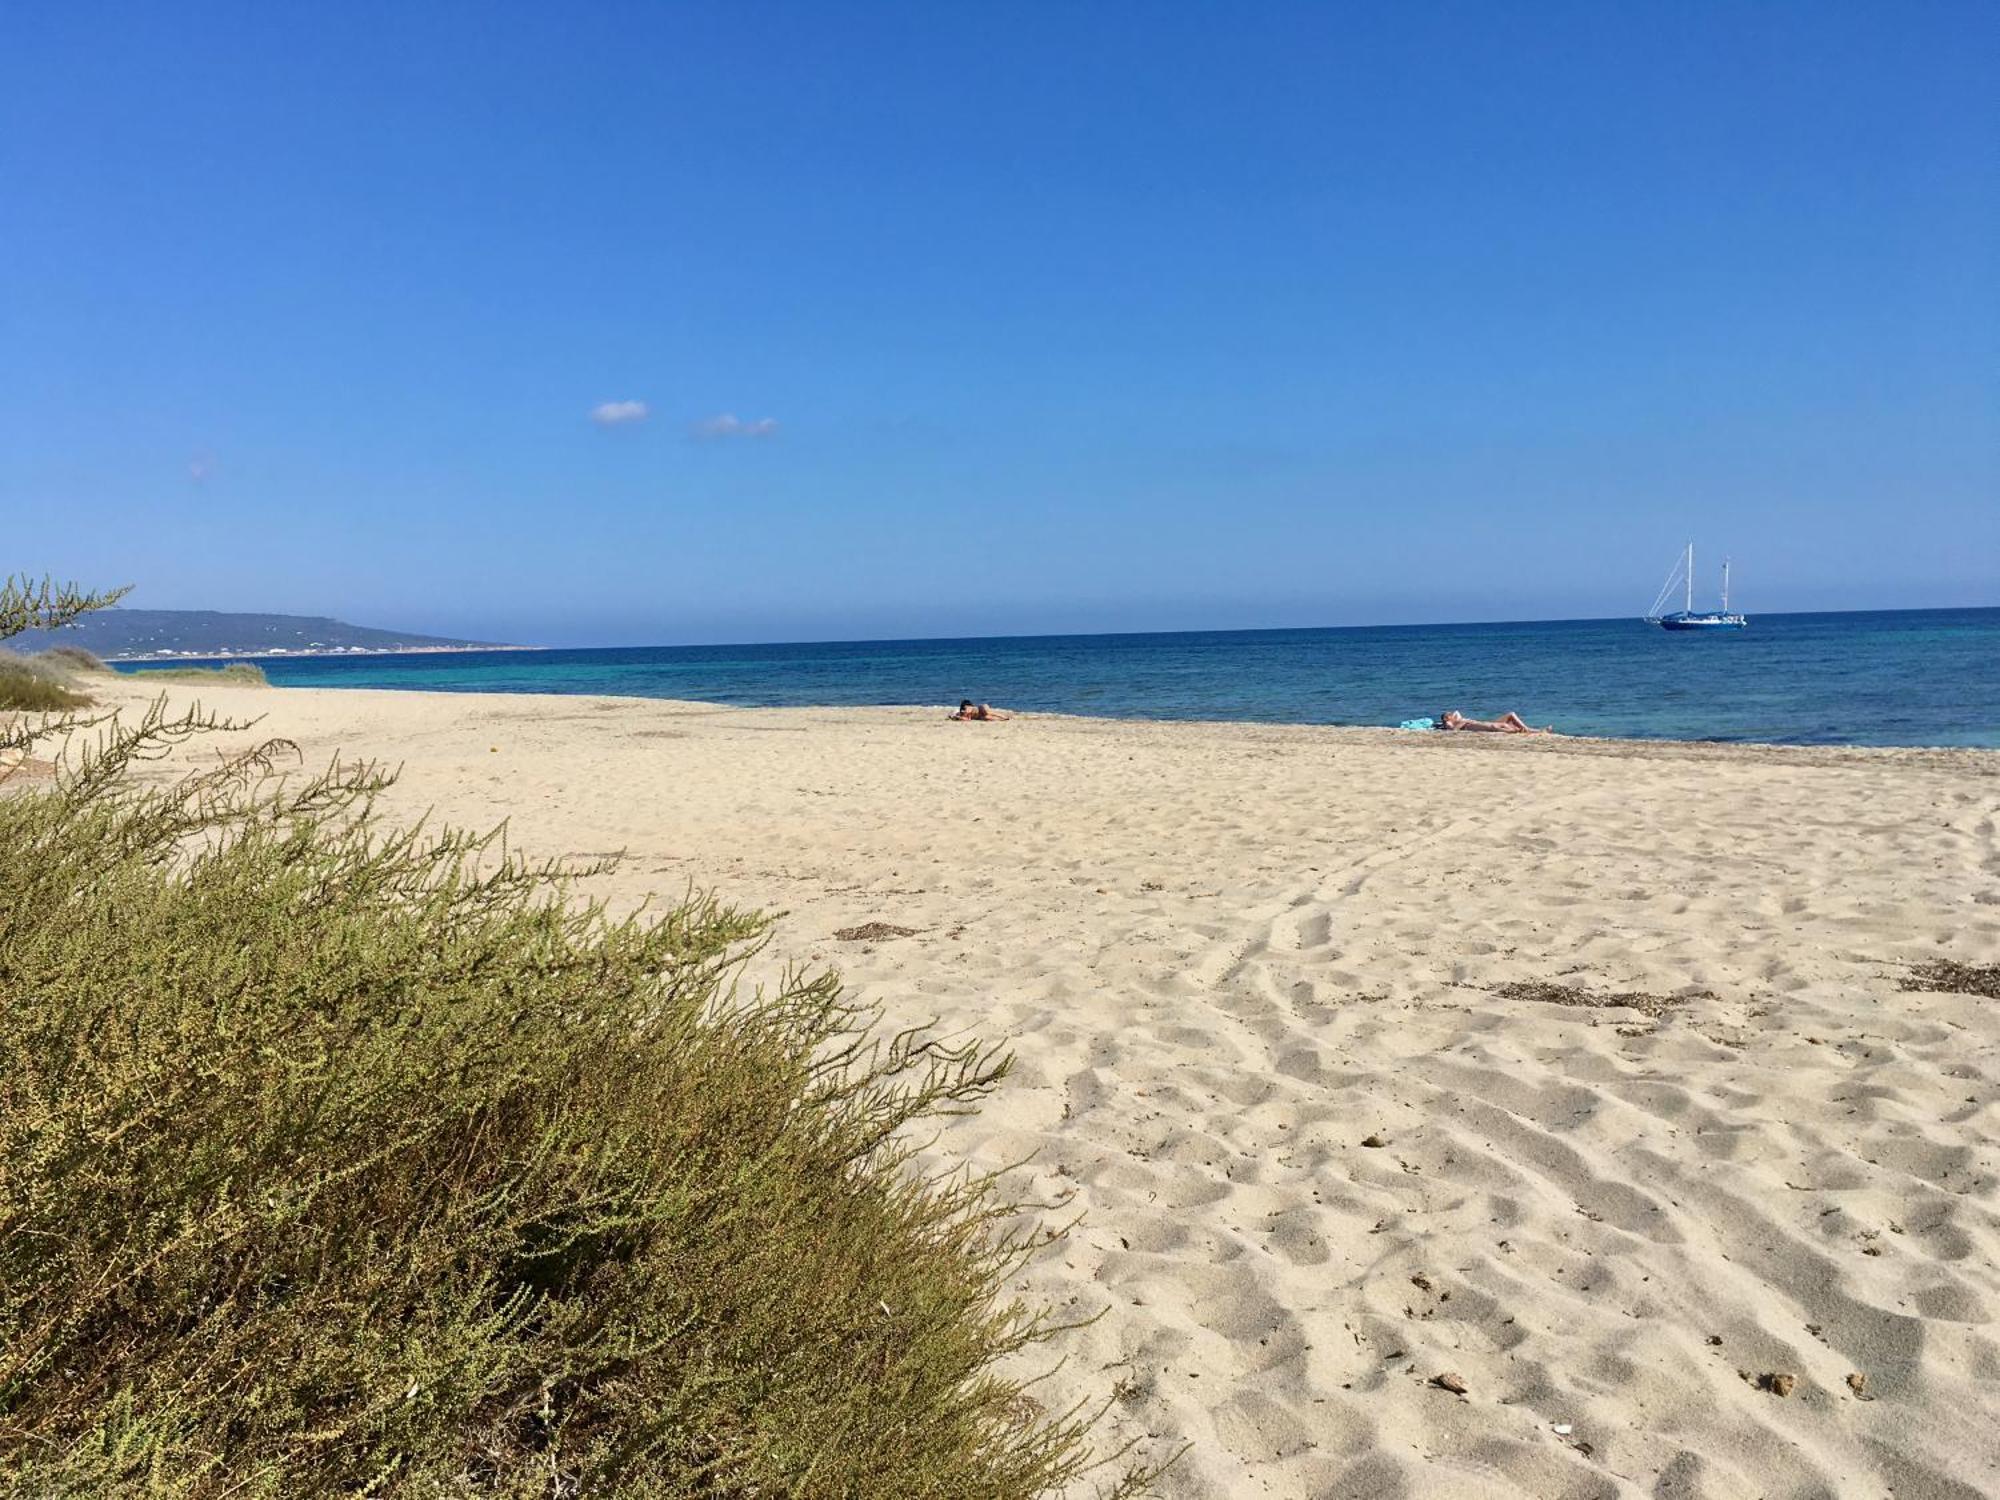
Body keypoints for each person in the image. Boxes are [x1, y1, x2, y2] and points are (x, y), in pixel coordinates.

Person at [1438, 708, 1550, 734]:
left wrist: (1457, 717)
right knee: (1497, 728)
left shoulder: (1456, 718)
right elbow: (1454, 730)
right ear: (1447, 718)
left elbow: (1457, 711)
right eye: (1450, 715)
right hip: (1478, 725)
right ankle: (1537, 731)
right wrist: (1461, 721)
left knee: (1511, 714)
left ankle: (1538, 730)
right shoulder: (1450, 723)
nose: (1453, 715)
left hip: (1483, 723)